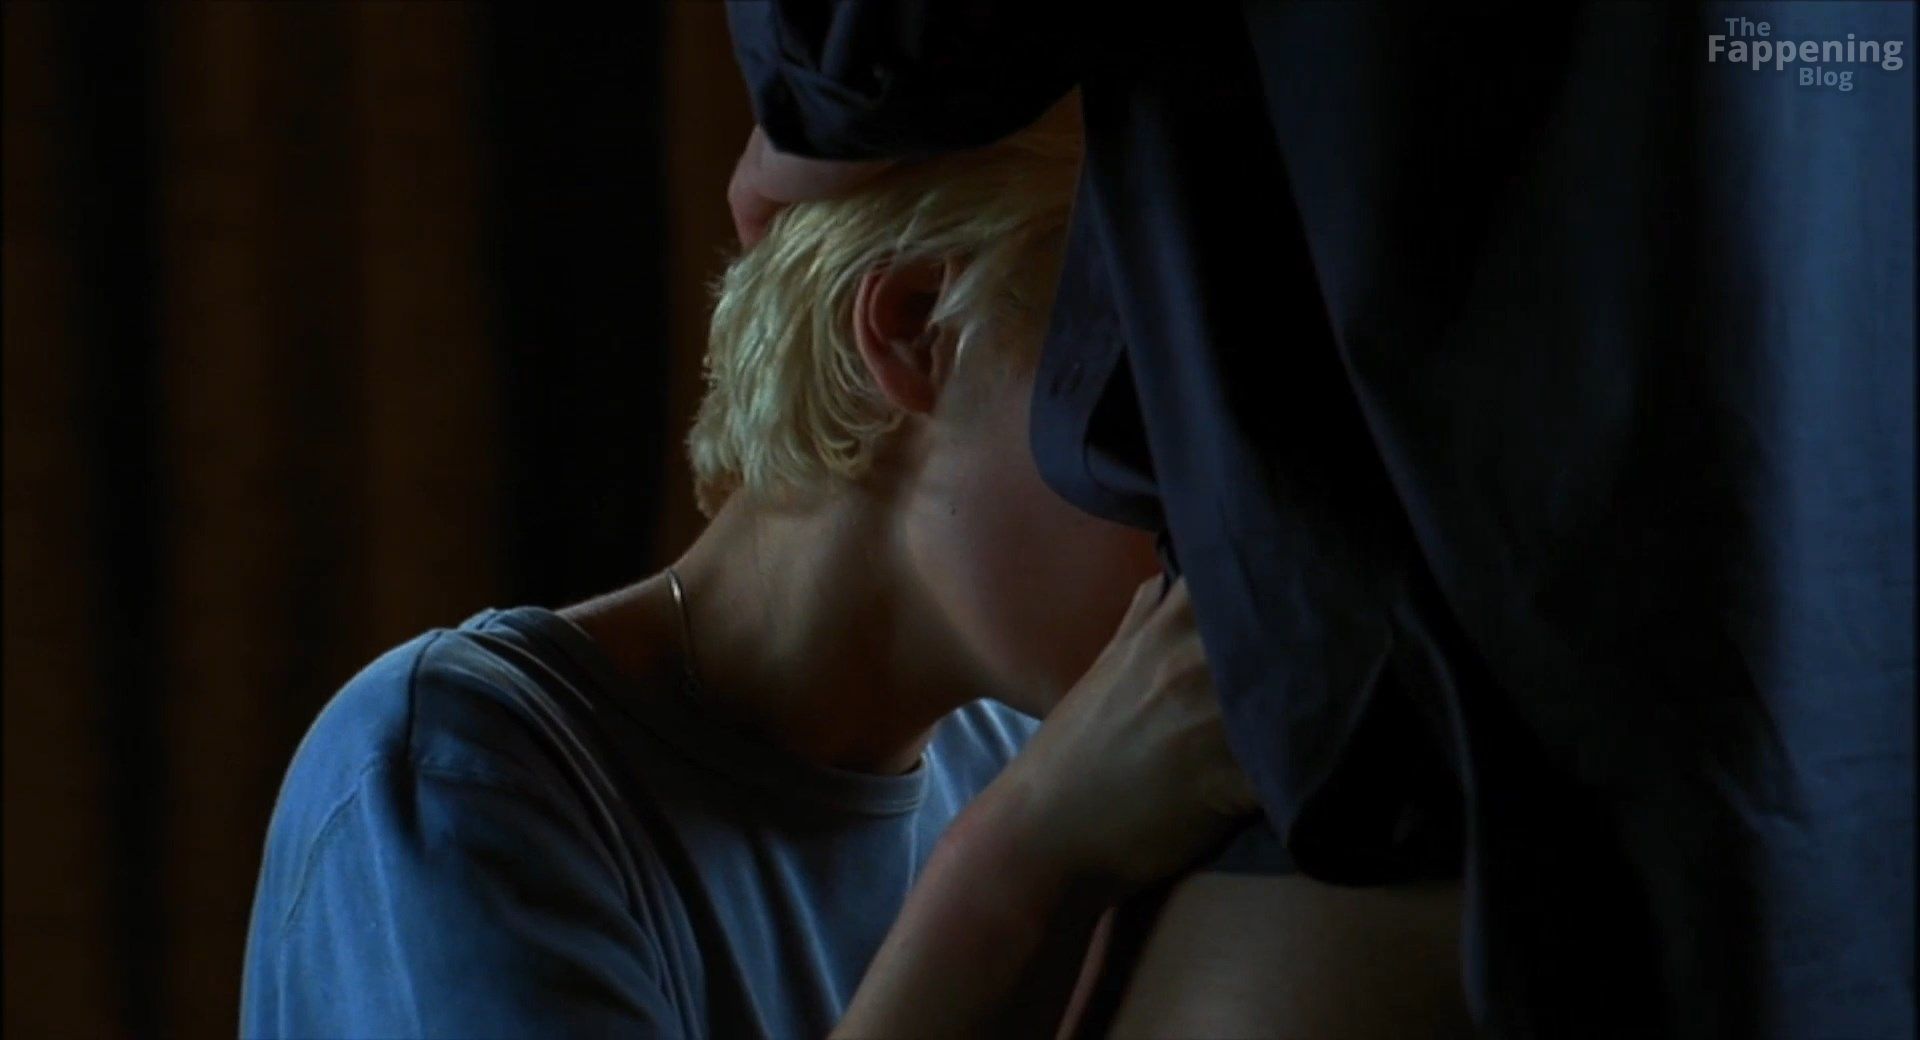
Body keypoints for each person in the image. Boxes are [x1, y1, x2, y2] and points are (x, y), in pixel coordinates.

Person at [724, 1, 1916, 1037]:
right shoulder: (588, 781)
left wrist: (822, 95)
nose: (1164, 505)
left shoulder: (1060, 760)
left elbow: (873, 40)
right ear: (915, 327)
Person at [240, 110, 1271, 1038]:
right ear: (916, 325)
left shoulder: (1062, 765)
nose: (1222, 512)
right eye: (1156, 416)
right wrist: (1022, 867)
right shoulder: (453, 772)